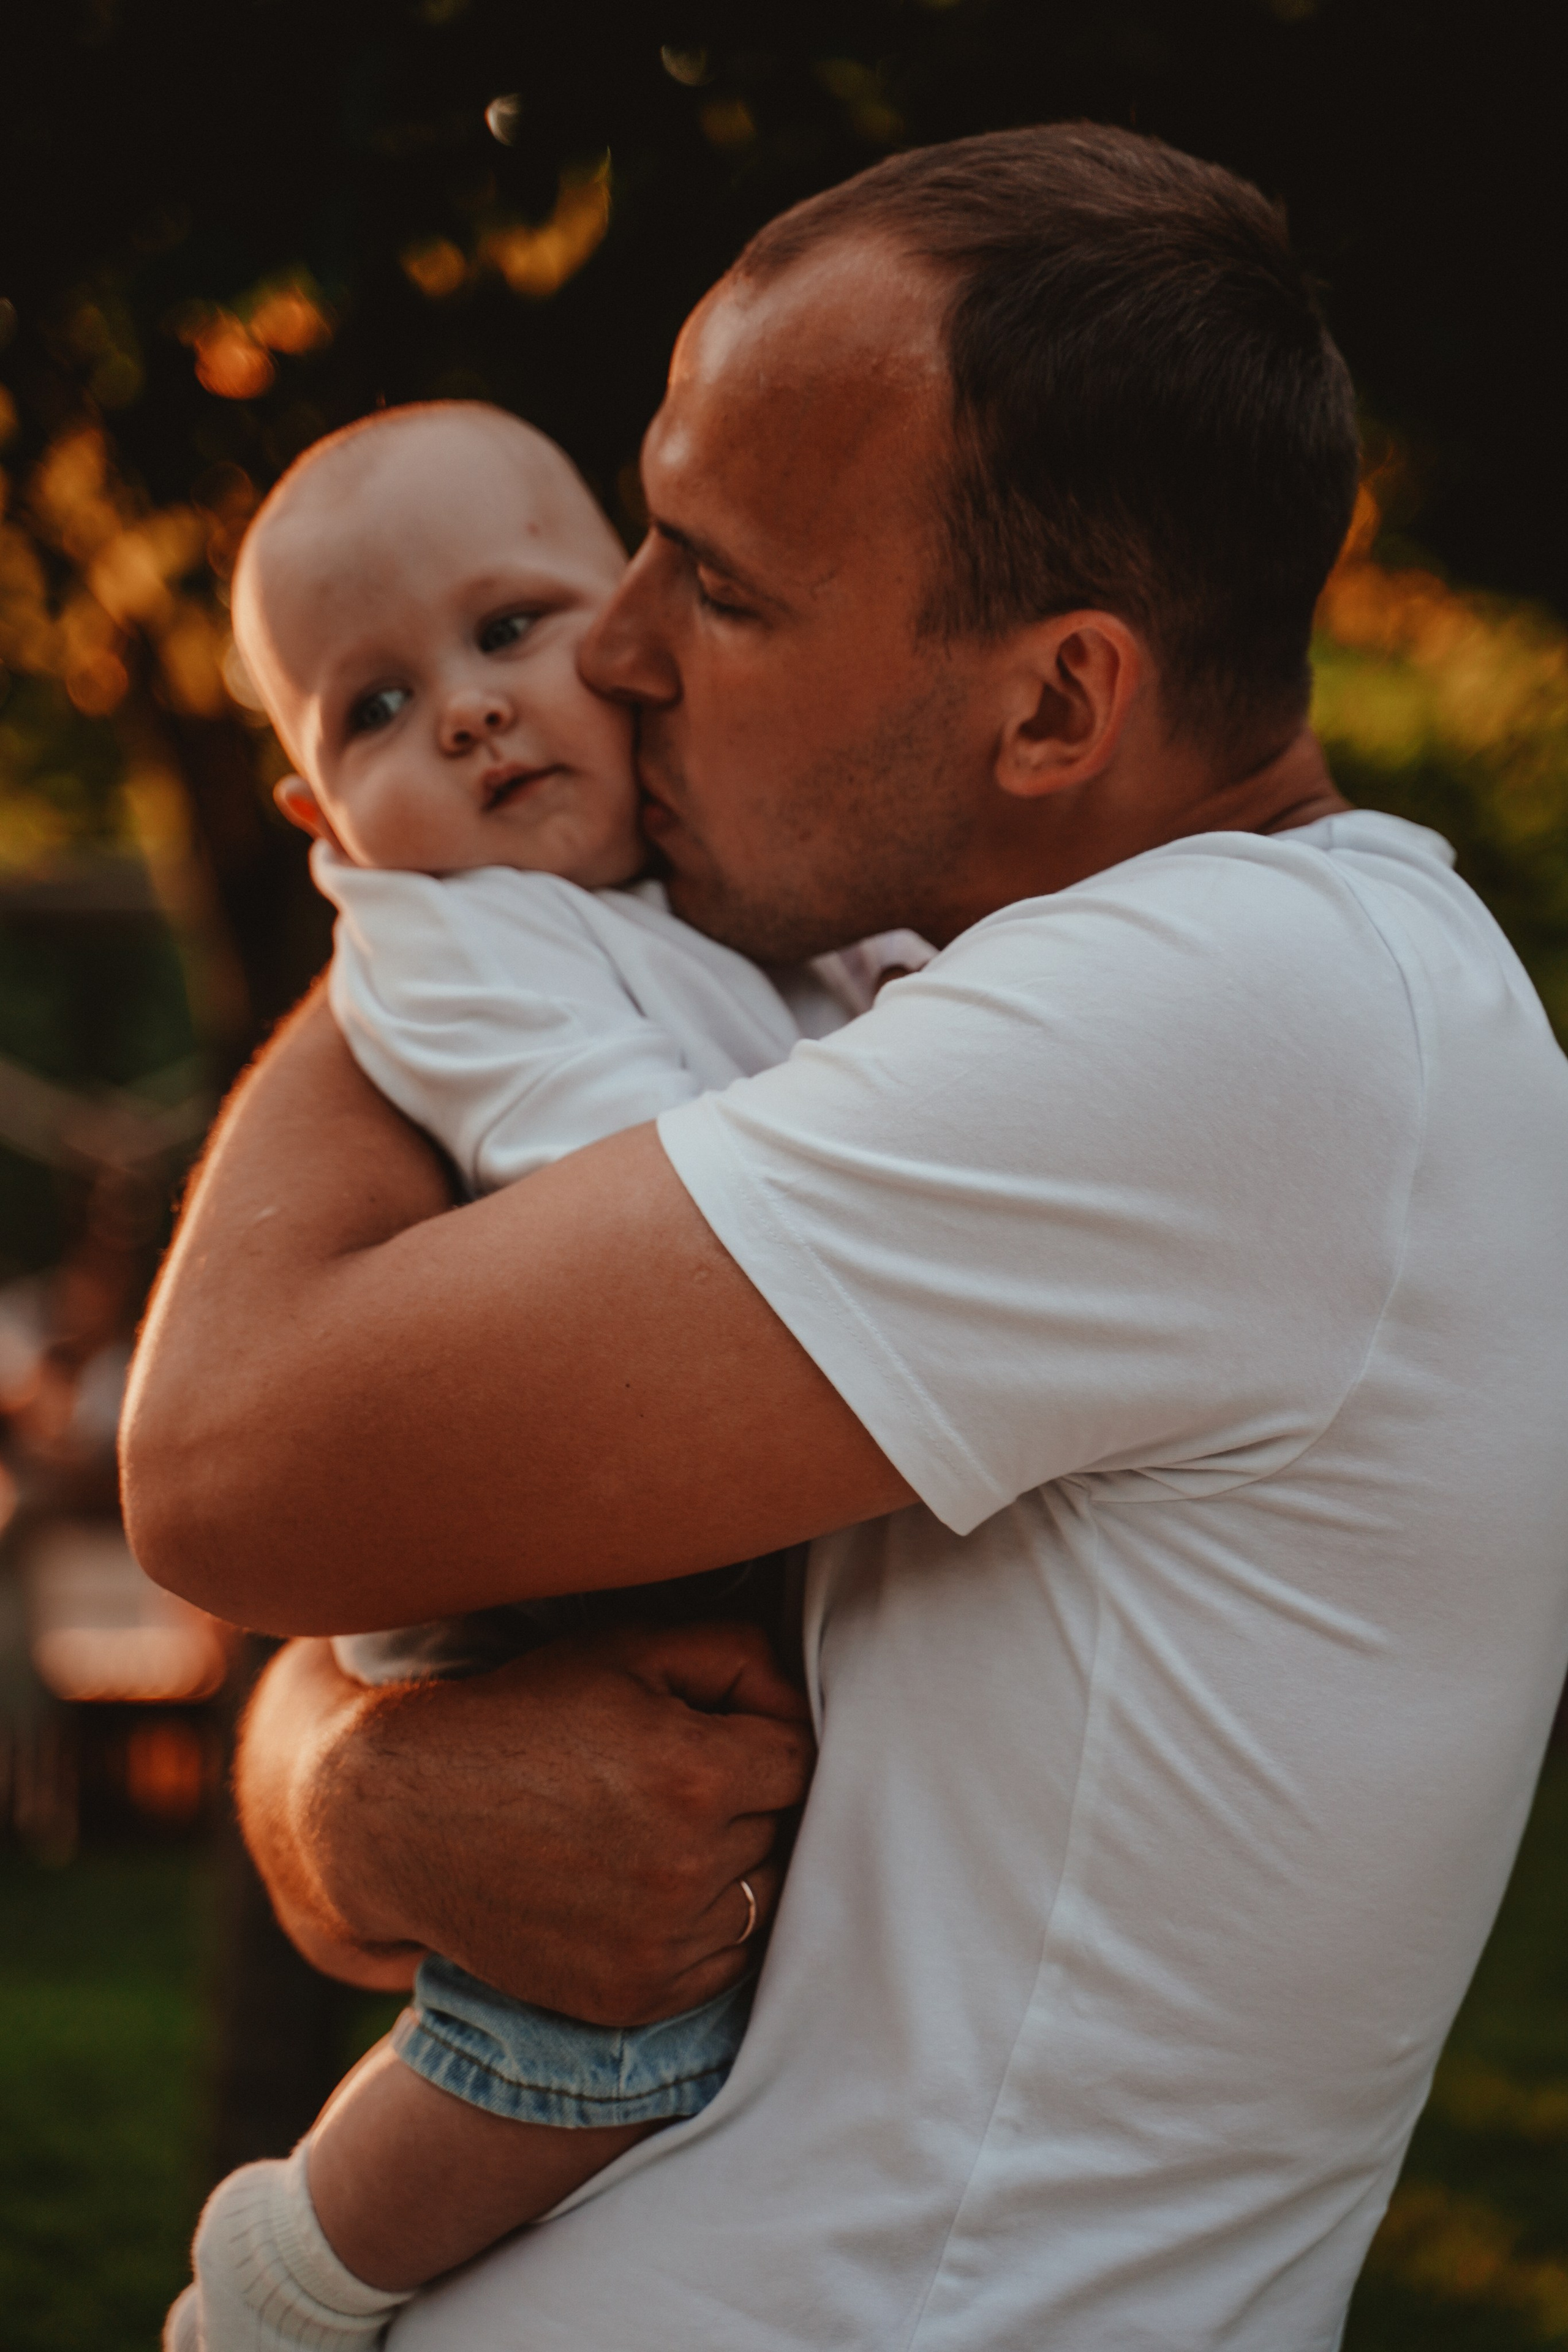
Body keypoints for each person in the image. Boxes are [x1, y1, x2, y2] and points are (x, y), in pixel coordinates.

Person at [124, 124, 1568, 2350]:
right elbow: (367, 1624)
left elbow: (224, 1471)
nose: (603, 654)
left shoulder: (1234, 1019)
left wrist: (417, 886)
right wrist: (354, 1795)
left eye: (713, 580)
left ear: (1058, 703)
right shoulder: (959, 1014)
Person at [165, 399, 927, 2348]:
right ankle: (286, 2277)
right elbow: (643, 1191)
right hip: (525, 1609)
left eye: (512, 631)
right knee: (596, 2035)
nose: (475, 716)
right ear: (322, 827)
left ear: (639, 623)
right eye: (376, 710)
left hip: (636, 1527)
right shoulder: (456, 941)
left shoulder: (696, 896)